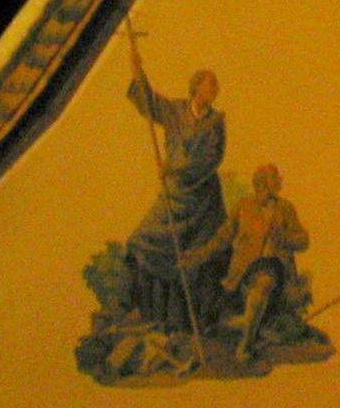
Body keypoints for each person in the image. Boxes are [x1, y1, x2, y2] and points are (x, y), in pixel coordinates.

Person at [123, 34, 228, 333]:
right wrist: (137, 70)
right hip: (174, 197)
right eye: (210, 85)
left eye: (216, 86)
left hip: (203, 202)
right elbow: (151, 103)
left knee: (197, 260)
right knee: (141, 243)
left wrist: (175, 166)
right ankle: (146, 312)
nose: (215, 90)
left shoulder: (216, 122)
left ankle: (193, 324)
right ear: (196, 87)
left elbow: (211, 159)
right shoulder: (176, 111)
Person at [216, 164, 315, 362]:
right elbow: (223, 237)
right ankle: (249, 322)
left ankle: (246, 343)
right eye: (275, 177)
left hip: (278, 275)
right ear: (262, 183)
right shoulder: (243, 207)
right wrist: (198, 254)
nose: (280, 180)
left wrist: (285, 239)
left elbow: (303, 241)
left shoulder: (286, 208)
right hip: (244, 275)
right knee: (230, 315)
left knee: (265, 281)